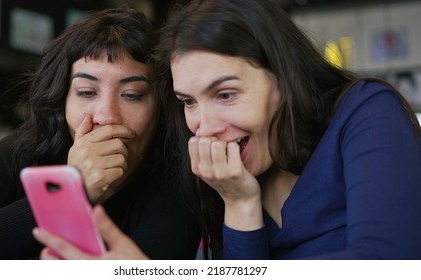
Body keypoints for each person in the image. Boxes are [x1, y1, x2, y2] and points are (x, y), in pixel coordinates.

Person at [150, 0, 421, 259]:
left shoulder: (365, 109)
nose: (205, 129)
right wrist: (239, 204)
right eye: (188, 101)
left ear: (283, 78)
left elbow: (385, 262)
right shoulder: (224, 181)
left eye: (226, 95)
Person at [0, 7, 201, 260]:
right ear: (61, 100)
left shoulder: (179, 183)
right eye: (86, 92)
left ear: (161, 109)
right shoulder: (20, 152)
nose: (106, 115)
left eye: (132, 95)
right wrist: (66, 193)